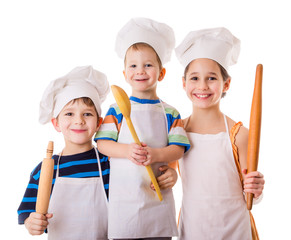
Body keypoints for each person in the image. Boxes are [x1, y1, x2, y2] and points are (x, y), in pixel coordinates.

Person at [95, 18, 190, 239]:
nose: (140, 71)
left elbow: (178, 148)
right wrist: (127, 150)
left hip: (158, 196)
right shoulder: (116, 109)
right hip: (124, 201)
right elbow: (103, 144)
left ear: (162, 73)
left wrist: (157, 154)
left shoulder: (170, 113)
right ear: (125, 74)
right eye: (133, 65)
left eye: (148, 65)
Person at [175, 27, 265, 239]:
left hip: (235, 231)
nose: (202, 86)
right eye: (194, 78)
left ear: (226, 84)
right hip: (193, 229)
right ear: (183, 83)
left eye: (212, 78)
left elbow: (250, 195)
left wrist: (256, 189)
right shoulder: (176, 133)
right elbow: (166, 176)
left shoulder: (240, 135)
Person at [17, 66, 111, 239]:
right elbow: (27, 213)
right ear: (56, 123)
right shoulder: (45, 169)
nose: (79, 121)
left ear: (99, 123)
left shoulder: (109, 164)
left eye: (87, 114)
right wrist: (32, 222)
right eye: (69, 113)